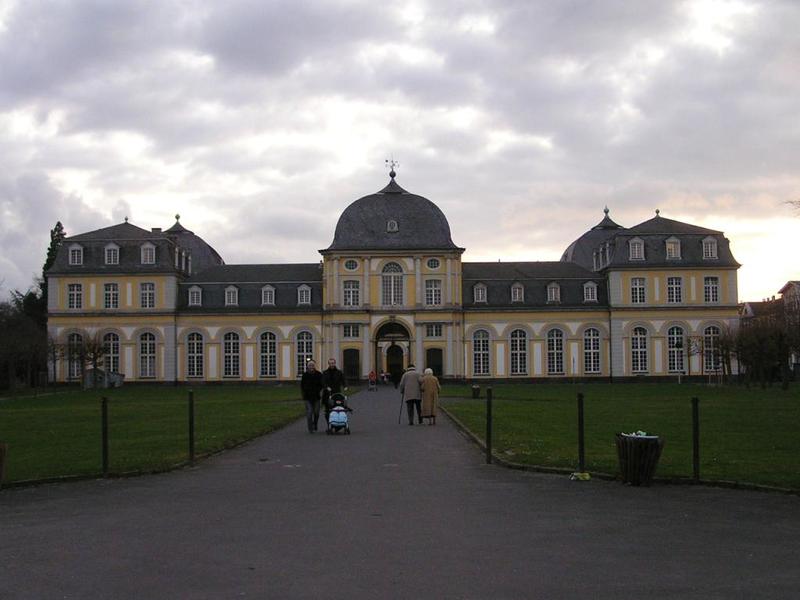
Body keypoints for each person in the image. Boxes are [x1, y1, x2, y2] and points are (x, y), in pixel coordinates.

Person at [300, 360, 323, 433]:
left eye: (312, 365)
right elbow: (302, 385)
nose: (311, 366)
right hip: (307, 397)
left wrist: (319, 390)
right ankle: (310, 428)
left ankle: (315, 424)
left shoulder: (319, 374)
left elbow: (321, 384)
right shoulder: (305, 375)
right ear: (307, 366)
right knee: (309, 412)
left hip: (316, 396)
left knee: (316, 412)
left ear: (314, 366)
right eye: (310, 365)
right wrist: (303, 394)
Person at [322, 357, 347, 423]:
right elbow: (323, 382)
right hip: (327, 394)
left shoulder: (339, 372)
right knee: (328, 410)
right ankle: (329, 424)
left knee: (338, 409)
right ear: (328, 364)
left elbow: (343, 380)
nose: (332, 365)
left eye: (333, 363)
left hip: (336, 393)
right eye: (330, 363)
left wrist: (345, 386)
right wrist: (326, 387)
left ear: (335, 363)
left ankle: (337, 422)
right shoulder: (325, 372)